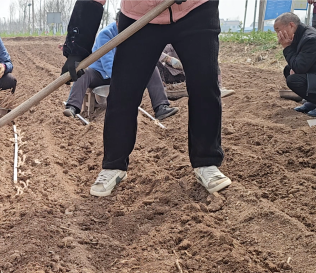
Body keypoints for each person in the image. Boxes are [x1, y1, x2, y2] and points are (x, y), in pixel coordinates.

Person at [90, 0, 232, 197]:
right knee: (123, 90)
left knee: (204, 84)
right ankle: (113, 166)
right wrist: (77, 46)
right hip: (138, 15)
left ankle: (207, 162)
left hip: (195, 9)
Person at [63, 13, 178, 121]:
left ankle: (161, 107)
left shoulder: (134, 33)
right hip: (101, 73)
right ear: (117, 23)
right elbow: (108, 64)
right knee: (84, 73)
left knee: (151, 69)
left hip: (125, 72)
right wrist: (124, 84)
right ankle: (72, 107)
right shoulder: (106, 34)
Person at [275, 12, 316, 118]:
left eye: (278, 30)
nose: (278, 34)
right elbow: (298, 63)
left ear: (291, 25)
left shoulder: (311, 38)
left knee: (294, 80)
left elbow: (299, 67)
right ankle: (314, 102)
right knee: (288, 70)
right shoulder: (300, 35)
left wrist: (287, 47)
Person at [157, 44, 234, 98]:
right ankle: (163, 90)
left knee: (211, 57)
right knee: (155, 62)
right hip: (171, 74)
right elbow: (156, 51)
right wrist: (168, 58)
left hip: (189, 75)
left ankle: (218, 87)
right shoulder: (171, 42)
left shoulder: (197, 41)